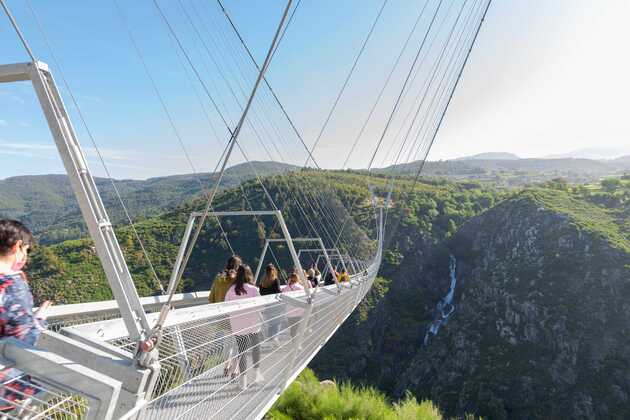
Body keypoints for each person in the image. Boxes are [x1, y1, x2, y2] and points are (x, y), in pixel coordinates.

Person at [0, 220, 50, 410]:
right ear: (17, 246)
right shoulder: (12, 285)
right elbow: (24, 338)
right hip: (7, 390)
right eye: (26, 251)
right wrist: (39, 320)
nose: (26, 258)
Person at [224, 265, 264, 390]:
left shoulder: (231, 290)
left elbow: (226, 307)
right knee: (256, 349)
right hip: (253, 325)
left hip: (238, 326)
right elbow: (261, 307)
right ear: (249, 274)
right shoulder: (253, 289)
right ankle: (257, 375)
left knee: (242, 352)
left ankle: (243, 382)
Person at [259, 264, 282, 343]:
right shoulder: (275, 280)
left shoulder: (262, 281)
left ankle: (270, 337)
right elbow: (278, 292)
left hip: (266, 305)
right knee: (277, 322)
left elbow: (261, 292)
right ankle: (274, 338)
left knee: (270, 322)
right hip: (275, 305)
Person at [281, 273, 305, 338]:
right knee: (297, 327)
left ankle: (293, 339)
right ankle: (296, 341)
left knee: (292, 327)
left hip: (289, 311)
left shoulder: (286, 288)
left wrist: (287, 285)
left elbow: (282, 296)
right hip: (299, 311)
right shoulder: (300, 287)